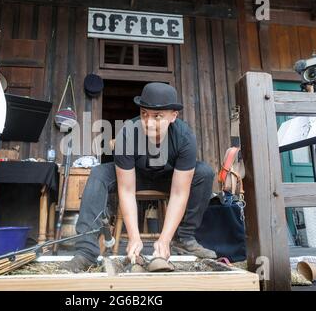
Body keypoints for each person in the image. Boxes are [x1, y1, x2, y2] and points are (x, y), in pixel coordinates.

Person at [63, 82, 217, 273]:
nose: (149, 122)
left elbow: (179, 192)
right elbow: (126, 190)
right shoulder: (127, 133)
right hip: (136, 177)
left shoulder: (185, 137)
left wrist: (165, 238)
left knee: (204, 173)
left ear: (173, 116)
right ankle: (86, 252)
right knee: (98, 173)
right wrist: (134, 236)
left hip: (169, 180)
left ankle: (184, 238)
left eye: (158, 116)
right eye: (144, 114)